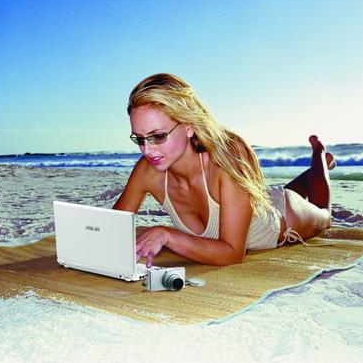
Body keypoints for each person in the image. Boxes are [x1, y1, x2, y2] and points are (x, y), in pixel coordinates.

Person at [113, 73, 334, 267]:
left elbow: (232, 253)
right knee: (268, 193)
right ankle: (308, 175)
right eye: (139, 139)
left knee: (325, 216)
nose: (147, 150)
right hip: (247, 199)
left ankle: (319, 156)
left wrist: (166, 234)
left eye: (158, 136)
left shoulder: (226, 160)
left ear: (188, 126)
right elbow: (111, 226)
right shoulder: (148, 170)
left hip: (283, 214)